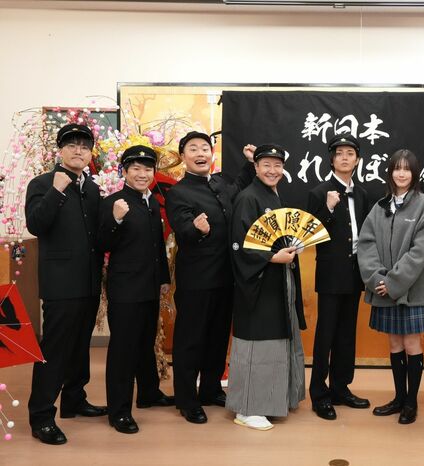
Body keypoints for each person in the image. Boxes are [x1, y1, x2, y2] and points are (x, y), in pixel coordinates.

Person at [25, 123, 107, 445]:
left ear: (90, 154)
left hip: (89, 282)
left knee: (79, 346)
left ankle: (74, 399)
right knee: (55, 350)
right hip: (60, 284)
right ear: (60, 150)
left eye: (84, 146)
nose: (78, 151)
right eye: (71, 145)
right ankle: (41, 416)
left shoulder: (93, 189)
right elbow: (36, 224)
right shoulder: (42, 183)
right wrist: (56, 191)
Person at [165, 132, 255, 424]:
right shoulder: (178, 192)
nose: (200, 153)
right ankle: (186, 399)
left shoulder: (219, 183)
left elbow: (238, 188)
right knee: (190, 341)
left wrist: (250, 163)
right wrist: (196, 229)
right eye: (193, 149)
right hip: (196, 281)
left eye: (205, 148)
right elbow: (182, 230)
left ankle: (211, 389)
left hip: (226, 277)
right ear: (183, 156)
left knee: (218, 338)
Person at [357, 149, 424, 425]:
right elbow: (366, 244)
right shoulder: (380, 206)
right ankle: (398, 398)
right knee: (394, 343)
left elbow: (421, 251)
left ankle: (411, 402)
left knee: (411, 343)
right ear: (390, 172)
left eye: (406, 169)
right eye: (396, 168)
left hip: (412, 290)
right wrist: (377, 279)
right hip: (383, 288)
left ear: (414, 173)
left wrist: (392, 282)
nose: (401, 174)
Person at [227, 144, 306, 431]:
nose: (272, 170)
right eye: (266, 165)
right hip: (258, 283)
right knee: (257, 346)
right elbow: (239, 245)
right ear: (256, 167)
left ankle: (273, 400)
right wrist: (272, 257)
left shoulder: (273, 195)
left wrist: (291, 247)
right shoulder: (248, 197)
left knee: (277, 342)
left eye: (277, 165)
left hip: (277, 281)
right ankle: (248, 408)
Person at [97, 145, 172, 434]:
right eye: (136, 169)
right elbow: (102, 244)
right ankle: (119, 412)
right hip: (126, 289)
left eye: (148, 169)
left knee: (145, 343)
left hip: (150, 287)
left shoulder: (150, 202)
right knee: (123, 351)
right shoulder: (113, 202)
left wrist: (163, 279)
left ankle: (148, 393)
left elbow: (157, 245)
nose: (143, 174)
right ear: (125, 172)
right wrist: (116, 219)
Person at [307, 134, 371, 421]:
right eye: (339, 153)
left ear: (357, 160)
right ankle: (319, 394)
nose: (345, 158)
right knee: (326, 334)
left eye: (350, 153)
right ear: (332, 160)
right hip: (331, 273)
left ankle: (341, 388)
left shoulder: (363, 193)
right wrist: (329, 208)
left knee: (347, 334)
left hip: (355, 272)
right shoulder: (319, 192)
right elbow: (312, 234)